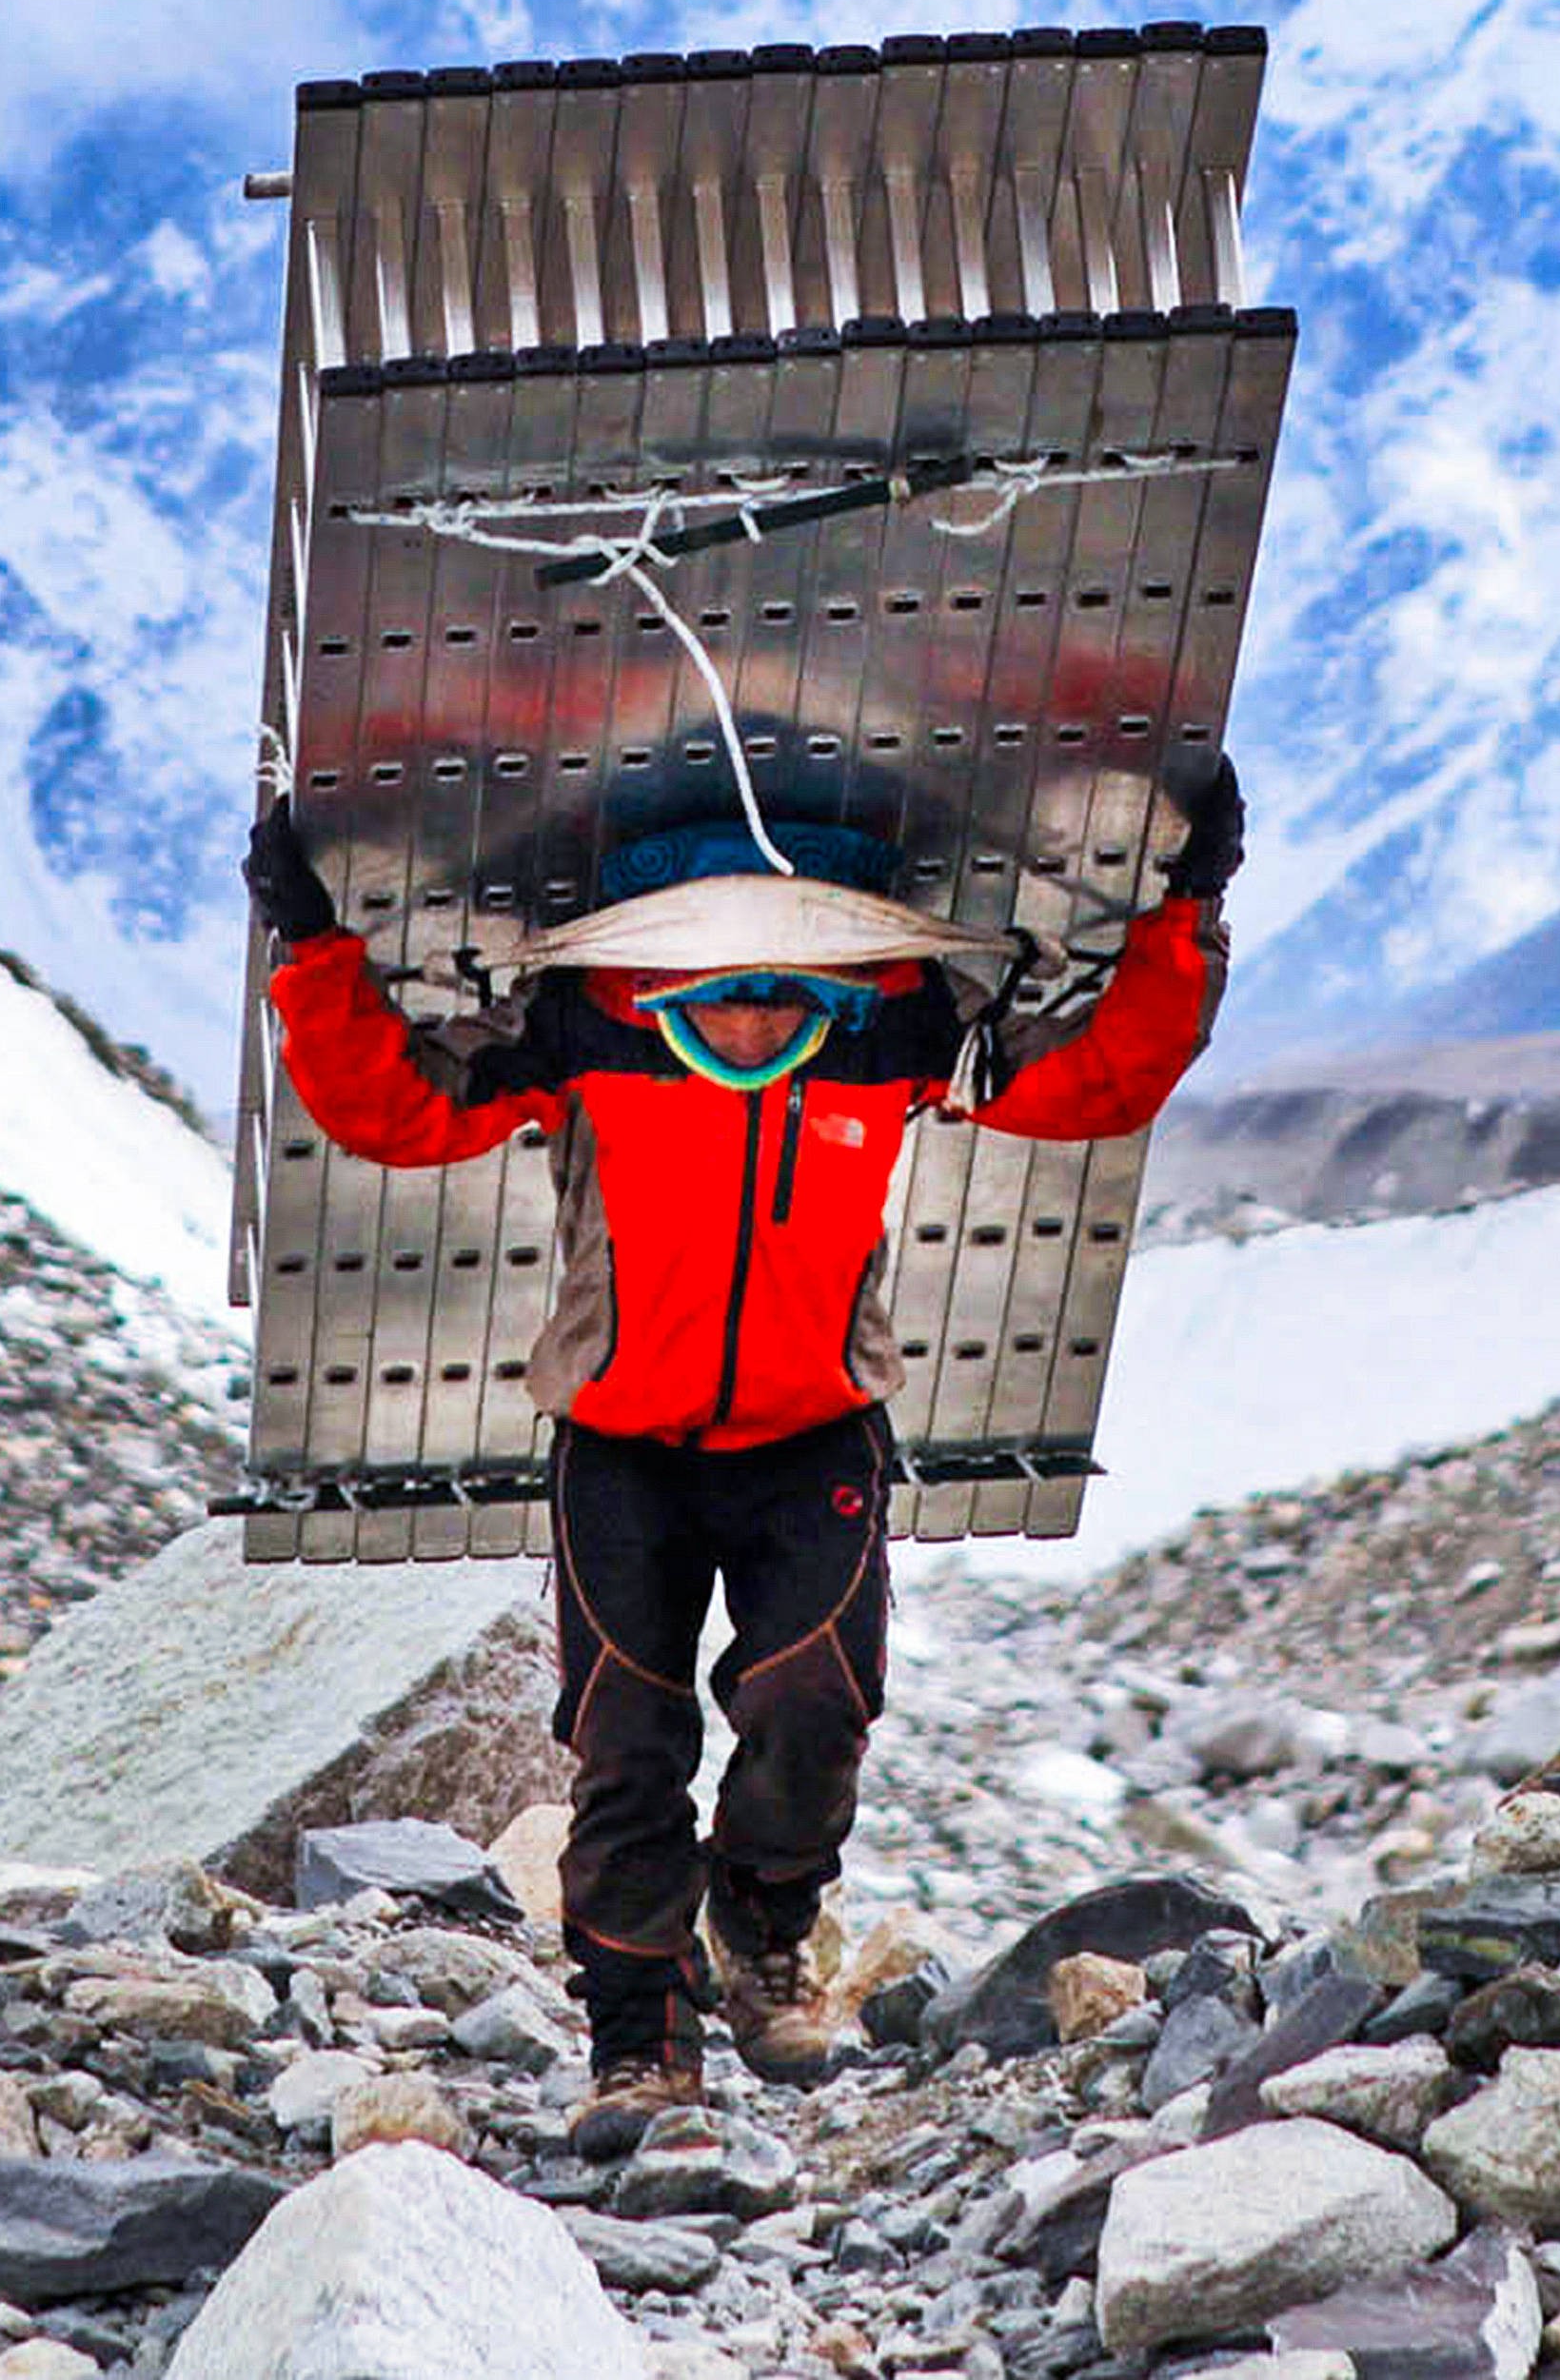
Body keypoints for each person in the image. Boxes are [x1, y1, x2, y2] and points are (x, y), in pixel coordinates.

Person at [246, 758, 1245, 2147]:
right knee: (625, 1742)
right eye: (724, 954)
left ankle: (762, 1921)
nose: (758, 988)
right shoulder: (578, 1032)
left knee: (816, 1709)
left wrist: (1189, 911)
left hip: (817, 1431)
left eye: (790, 956)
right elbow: (392, 1110)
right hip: (618, 1448)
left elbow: (1095, 1082)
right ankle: (638, 2035)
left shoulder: (897, 1033)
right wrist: (305, 943)